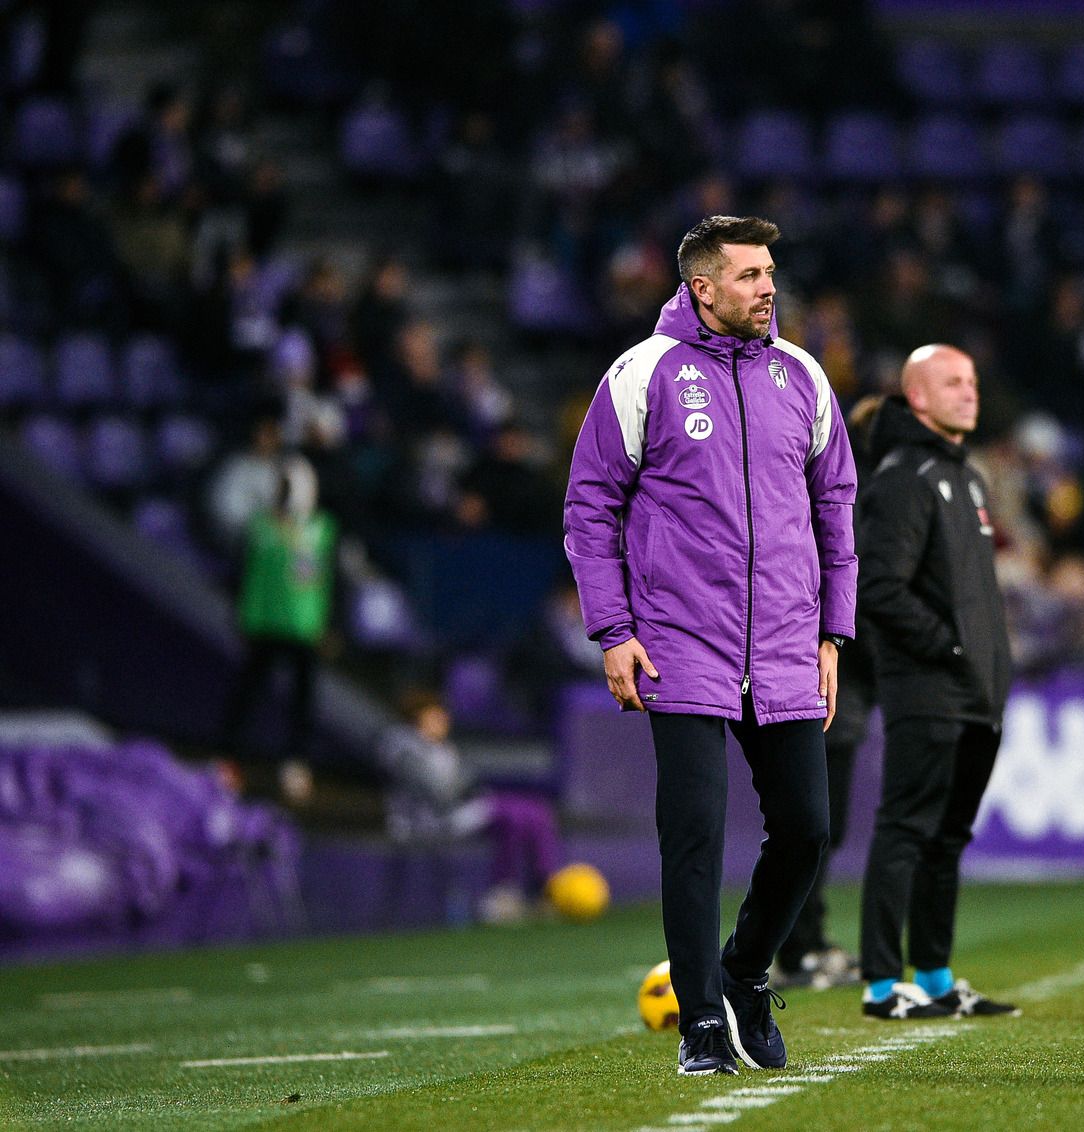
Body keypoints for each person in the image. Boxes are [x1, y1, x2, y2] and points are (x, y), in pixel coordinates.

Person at [563, 216, 857, 1076]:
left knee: (807, 830)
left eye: (772, 272)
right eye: (752, 275)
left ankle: (740, 973)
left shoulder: (801, 376)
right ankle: (698, 1025)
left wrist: (833, 632)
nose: (770, 287)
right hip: (679, 644)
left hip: (785, 643)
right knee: (692, 837)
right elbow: (590, 509)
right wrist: (613, 630)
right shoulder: (643, 374)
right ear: (703, 286)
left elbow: (835, 509)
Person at [856, 344, 1018, 1021]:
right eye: (952, 382)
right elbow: (879, 587)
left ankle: (937, 975)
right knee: (905, 831)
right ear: (915, 395)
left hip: (977, 692)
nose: (968, 392)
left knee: (948, 838)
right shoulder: (903, 476)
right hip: (928, 688)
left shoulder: (968, 477)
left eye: (973, 380)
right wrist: (948, 646)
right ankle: (882, 985)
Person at [772, 395, 882, 992]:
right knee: (812, 823)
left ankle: (806, 941)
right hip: (823, 674)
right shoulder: (845, 503)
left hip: (843, 678)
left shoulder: (849, 498)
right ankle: (796, 948)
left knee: (820, 825)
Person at [376, 690, 564, 924]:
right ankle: (501, 897)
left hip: (455, 813)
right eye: (435, 716)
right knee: (512, 816)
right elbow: (439, 792)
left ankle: (544, 888)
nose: (444, 720)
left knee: (534, 812)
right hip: (425, 821)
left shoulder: (439, 748)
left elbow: (466, 783)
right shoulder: (401, 749)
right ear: (418, 718)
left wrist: (463, 784)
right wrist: (462, 784)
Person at [217, 456, 335, 798]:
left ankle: (296, 764)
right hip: (264, 624)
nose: (284, 492)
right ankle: (229, 760)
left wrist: (330, 624)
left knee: (303, 700)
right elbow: (243, 573)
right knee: (248, 694)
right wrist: (242, 614)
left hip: (304, 628)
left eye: (289, 485)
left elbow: (330, 582)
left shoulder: (322, 528)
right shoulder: (260, 526)